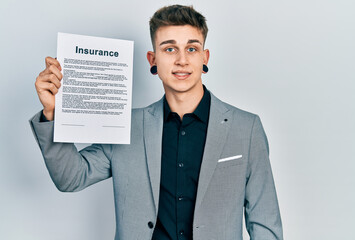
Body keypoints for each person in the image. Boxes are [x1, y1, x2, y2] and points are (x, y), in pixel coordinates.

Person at [30, 5, 283, 240]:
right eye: (170, 49)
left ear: (205, 57)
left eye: (192, 48)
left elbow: (265, 224)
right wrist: (51, 113)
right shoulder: (125, 125)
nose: (182, 60)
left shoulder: (246, 128)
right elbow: (71, 177)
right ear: (153, 60)